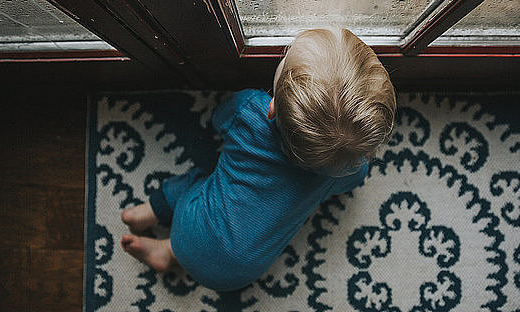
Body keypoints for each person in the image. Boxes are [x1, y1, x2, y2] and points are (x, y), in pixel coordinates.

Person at [120, 27, 396, 291]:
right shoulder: (343, 167)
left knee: (204, 178)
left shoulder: (250, 111)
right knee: (221, 210)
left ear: (273, 107)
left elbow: (220, 119)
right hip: (241, 273)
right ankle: (166, 253)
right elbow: (357, 178)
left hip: (191, 226)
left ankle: (151, 212)